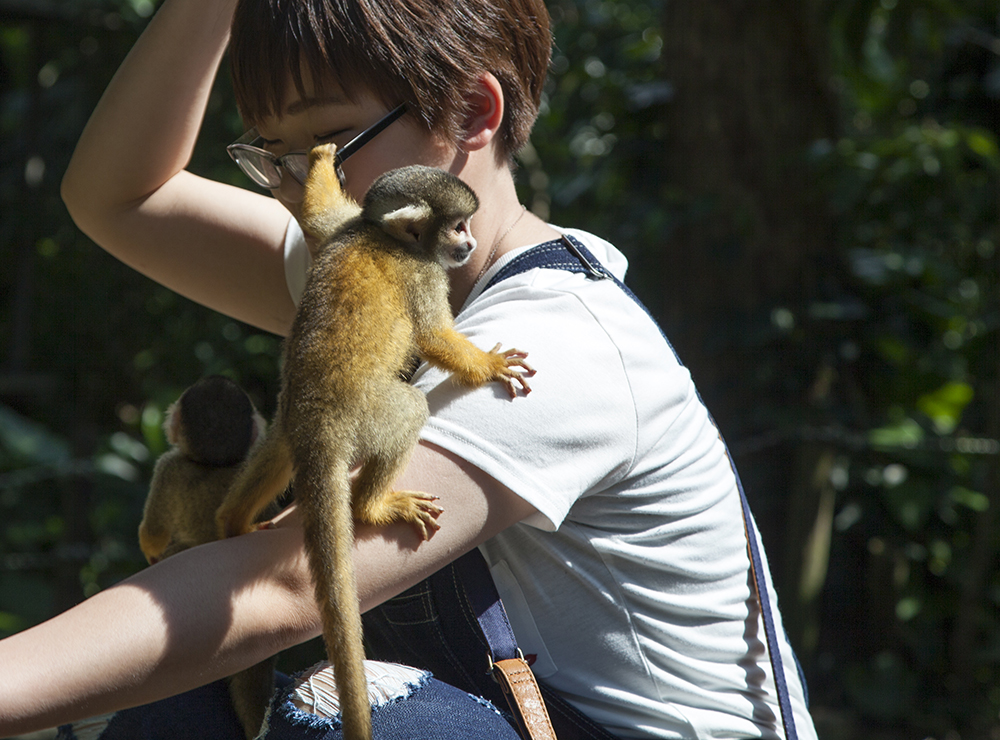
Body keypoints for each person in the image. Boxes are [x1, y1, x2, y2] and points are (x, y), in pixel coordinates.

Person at [0, 0, 817, 738]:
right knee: (177, 703)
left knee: (369, 714)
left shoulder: (561, 345)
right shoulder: (370, 271)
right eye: (273, 156)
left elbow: (284, 586)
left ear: (470, 112)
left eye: (326, 148)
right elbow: (118, 197)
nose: (295, 188)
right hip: (506, 710)